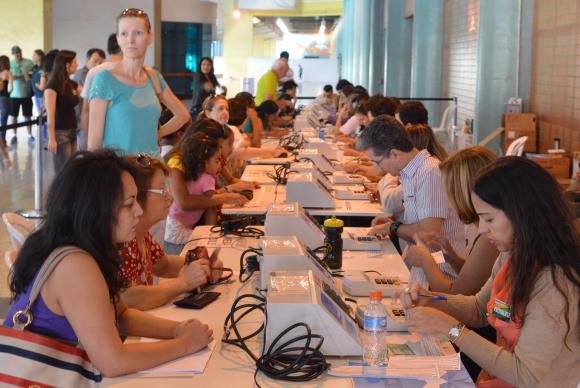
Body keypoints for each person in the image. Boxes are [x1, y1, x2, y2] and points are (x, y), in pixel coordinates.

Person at [4, 149, 214, 377]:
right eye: (129, 203)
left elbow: (121, 316)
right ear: (96, 209)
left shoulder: (85, 250)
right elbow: (113, 362)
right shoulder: (75, 265)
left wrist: (177, 330)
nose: (139, 211)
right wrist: (184, 345)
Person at [401, 157, 580, 387]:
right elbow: (478, 308)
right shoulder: (512, 254)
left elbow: (524, 373)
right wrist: (432, 300)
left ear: (522, 214)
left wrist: (450, 328)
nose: (483, 230)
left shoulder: (556, 282)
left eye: (489, 219)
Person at [118, 154, 224, 310]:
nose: (169, 196)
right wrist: (182, 283)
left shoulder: (142, 234)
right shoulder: (124, 240)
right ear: (136, 196)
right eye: (161, 190)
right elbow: (130, 298)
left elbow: (164, 265)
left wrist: (203, 266)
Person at [357, 115, 465, 264]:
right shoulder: (411, 173)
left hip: (438, 273)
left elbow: (429, 233)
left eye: (377, 162)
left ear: (394, 154)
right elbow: (421, 223)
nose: (377, 168)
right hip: (421, 267)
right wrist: (395, 223)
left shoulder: (429, 172)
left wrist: (393, 227)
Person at [89, 8, 189, 155]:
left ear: (149, 37)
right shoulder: (105, 79)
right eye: (124, 33)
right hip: (120, 171)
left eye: (138, 33)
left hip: (153, 168)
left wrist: (159, 133)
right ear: (118, 39)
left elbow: (183, 115)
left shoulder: (153, 77)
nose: (130, 40)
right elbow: (93, 144)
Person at [404, 146, 498, 295]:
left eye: (448, 191)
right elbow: (471, 275)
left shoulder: (489, 237)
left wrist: (425, 260)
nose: (447, 200)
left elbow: (456, 296)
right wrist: (450, 256)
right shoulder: (479, 226)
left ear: (462, 193)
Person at [164, 121, 248, 254]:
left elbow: (209, 200)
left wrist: (227, 192)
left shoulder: (202, 166)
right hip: (174, 237)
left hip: (192, 226)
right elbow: (184, 203)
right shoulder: (177, 162)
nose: (220, 157)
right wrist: (225, 196)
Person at [44, 50, 82, 173]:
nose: (77, 65)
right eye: (74, 62)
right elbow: (50, 114)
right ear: (66, 65)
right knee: (62, 171)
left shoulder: (71, 84)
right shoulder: (52, 86)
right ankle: (60, 192)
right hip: (60, 133)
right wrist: (52, 138)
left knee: (71, 169)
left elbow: (87, 91)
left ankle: (69, 192)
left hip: (72, 130)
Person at [80, 34, 123, 138]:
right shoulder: (135, 72)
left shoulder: (93, 72)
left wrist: (86, 137)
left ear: (107, 50)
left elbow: (86, 109)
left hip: (98, 132)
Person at [72, 48, 105, 150]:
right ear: (87, 60)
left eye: (100, 62)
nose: (97, 65)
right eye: (95, 61)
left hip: (86, 120)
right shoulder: (83, 75)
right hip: (82, 120)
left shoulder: (93, 75)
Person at [8, 45, 34, 145]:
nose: (18, 54)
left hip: (26, 94)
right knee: (13, 116)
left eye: (19, 52)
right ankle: (14, 136)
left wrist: (26, 76)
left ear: (21, 52)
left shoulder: (29, 62)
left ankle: (30, 135)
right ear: (13, 54)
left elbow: (33, 74)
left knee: (27, 115)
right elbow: (7, 76)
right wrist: (13, 77)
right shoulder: (10, 64)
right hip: (13, 95)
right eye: (16, 53)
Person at [0, 55, 12, 167]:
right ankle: (3, 142)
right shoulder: (7, 73)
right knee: (3, 123)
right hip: (4, 99)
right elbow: (10, 88)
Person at [31, 49, 45, 116]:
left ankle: (45, 127)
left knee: (44, 115)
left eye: (34, 55)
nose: (32, 57)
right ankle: (41, 126)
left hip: (43, 96)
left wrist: (37, 85)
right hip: (36, 95)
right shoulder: (34, 68)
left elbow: (42, 86)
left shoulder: (43, 68)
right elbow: (29, 78)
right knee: (40, 115)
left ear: (39, 57)